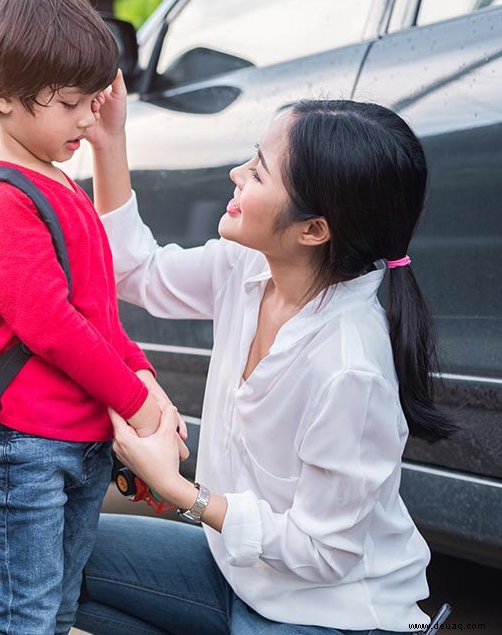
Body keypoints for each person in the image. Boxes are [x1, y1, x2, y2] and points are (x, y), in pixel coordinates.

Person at [75, 74, 457, 634]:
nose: (236, 174)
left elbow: (325, 553)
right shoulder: (249, 267)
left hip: (332, 610)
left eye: (257, 172)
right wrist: (109, 141)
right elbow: (138, 272)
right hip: (237, 574)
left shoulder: (350, 366)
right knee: (44, 553)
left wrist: (180, 490)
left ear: (313, 229)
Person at [0, 0, 188, 634]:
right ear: (3, 95)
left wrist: (146, 383)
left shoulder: (57, 182)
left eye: (90, 103)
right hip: (24, 447)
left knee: (55, 610)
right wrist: (139, 406)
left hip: (79, 443)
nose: (86, 119)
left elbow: (98, 313)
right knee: (26, 616)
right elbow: (52, 326)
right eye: (68, 105)